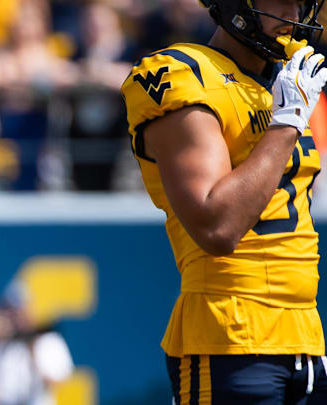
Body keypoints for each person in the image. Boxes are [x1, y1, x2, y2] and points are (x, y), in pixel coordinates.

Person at [121, 0, 327, 403]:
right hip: (230, 333)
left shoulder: (285, 78)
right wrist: (286, 124)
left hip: (306, 335)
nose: (294, 11)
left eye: (301, 0)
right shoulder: (185, 73)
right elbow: (218, 227)